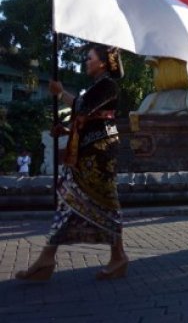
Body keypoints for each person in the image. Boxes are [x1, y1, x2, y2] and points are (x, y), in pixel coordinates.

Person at [16, 44, 127, 281]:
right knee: (67, 201)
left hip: (99, 156)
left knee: (105, 201)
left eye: (89, 58)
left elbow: (82, 108)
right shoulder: (96, 87)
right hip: (85, 153)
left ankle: (118, 256)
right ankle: (47, 257)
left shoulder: (108, 85)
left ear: (103, 63)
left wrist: (60, 93)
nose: (85, 62)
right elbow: (86, 120)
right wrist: (65, 131)